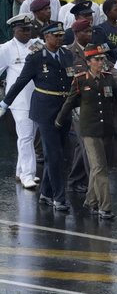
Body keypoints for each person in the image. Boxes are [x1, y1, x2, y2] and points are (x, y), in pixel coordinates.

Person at [56, 43, 117, 219]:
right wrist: (59, 121)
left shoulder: (108, 79)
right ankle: (105, 206)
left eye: (102, 59)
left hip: (106, 129)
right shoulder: (80, 80)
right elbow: (69, 103)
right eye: (97, 59)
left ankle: (90, 201)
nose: (101, 62)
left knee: (98, 167)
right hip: (89, 131)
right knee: (100, 168)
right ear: (88, 61)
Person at [0, 21, 74, 211]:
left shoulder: (67, 54)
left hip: (64, 109)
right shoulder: (35, 58)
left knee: (59, 153)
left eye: (61, 35)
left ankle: (46, 193)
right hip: (44, 109)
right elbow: (20, 82)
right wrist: (5, 103)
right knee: (54, 154)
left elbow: (73, 80)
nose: (59, 39)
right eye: (55, 36)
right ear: (45, 37)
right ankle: (59, 198)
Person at [0, 14, 40, 188]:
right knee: (25, 136)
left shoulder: (37, 45)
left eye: (28, 29)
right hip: (18, 100)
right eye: (22, 30)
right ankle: (28, 175)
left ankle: (20, 170)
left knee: (30, 136)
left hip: (37, 97)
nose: (26, 33)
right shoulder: (5, 49)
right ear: (14, 30)